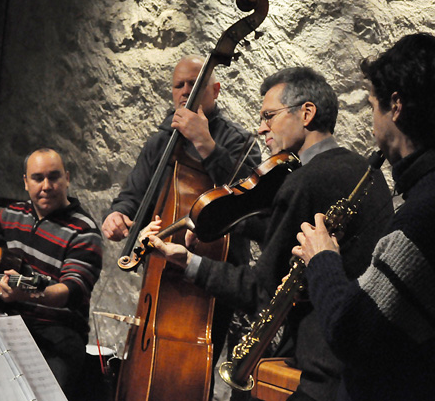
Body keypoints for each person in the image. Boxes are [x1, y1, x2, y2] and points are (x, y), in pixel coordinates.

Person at [145, 67, 393, 400]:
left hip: (321, 366)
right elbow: (292, 235)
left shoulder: (304, 182)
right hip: (364, 358)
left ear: (306, 113)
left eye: (269, 116)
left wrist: (190, 263)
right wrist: (230, 221)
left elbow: (261, 292)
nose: (261, 127)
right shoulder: (363, 171)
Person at [293, 33, 435, 400]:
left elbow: (354, 334)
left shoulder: (430, 215)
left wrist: (322, 259)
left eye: (372, 106)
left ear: (395, 105)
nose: (373, 123)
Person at [102, 55, 262, 370]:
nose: (186, 91)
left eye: (195, 84)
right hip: (160, 271)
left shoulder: (239, 141)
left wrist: (205, 144)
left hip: (213, 278)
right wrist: (118, 213)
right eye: (179, 85)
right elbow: (133, 194)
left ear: (214, 90)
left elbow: (247, 201)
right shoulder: (160, 141)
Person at [0, 148, 103, 400]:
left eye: (54, 177)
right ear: (25, 182)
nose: (46, 186)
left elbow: (71, 291)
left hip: (57, 332)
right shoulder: (14, 214)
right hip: (8, 321)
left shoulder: (84, 232)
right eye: (37, 178)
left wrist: (30, 294)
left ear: (67, 178)